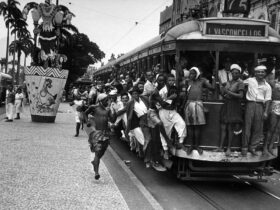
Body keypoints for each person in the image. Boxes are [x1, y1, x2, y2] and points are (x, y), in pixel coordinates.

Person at [184, 67, 215, 155]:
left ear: (197, 74)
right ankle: (191, 146)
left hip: (198, 105)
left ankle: (197, 146)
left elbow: (212, 88)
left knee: (197, 127)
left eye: (193, 73)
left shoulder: (202, 81)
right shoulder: (187, 81)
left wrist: (213, 78)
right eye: (190, 73)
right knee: (190, 127)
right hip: (189, 104)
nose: (191, 75)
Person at [85, 93, 116, 180]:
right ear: (101, 100)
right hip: (96, 133)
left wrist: (113, 110)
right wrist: (87, 121)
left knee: (101, 152)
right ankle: (96, 172)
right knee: (98, 153)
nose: (108, 101)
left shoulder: (108, 110)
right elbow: (85, 113)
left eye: (108, 100)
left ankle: (94, 162)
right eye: (106, 100)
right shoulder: (93, 107)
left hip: (106, 134)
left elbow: (113, 119)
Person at [216, 64, 245, 156]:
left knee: (230, 128)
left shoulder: (241, 82)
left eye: (236, 73)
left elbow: (240, 96)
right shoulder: (229, 81)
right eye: (233, 73)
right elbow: (224, 92)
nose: (234, 74)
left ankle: (229, 148)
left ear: (239, 74)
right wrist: (223, 91)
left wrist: (228, 92)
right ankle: (220, 147)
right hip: (227, 104)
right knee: (223, 126)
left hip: (234, 105)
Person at [242, 65, 271, 156]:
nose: (260, 73)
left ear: (265, 73)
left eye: (262, 72)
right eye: (258, 72)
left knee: (258, 128)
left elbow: (268, 99)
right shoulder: (250, 80)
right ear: (255, 73)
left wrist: (266, 112)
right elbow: (241, 83)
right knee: (247, 126)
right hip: (250, 104)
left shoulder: (267, 86)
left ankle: (252, 147)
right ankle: (244, 148)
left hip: (260, 106)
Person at [158, 74, 187, 151]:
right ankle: (165, 149)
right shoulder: (162, 91)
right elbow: (159, 105)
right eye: (169, 80)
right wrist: (169, 98)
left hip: (173, 111)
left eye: (173, 80)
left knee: (182, 124)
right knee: (166, 131)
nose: (171, 82)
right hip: (164, 112)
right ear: (166, 81)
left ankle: (180, 142)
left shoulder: (174, 89)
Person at [263, 69, 280, 156]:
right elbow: (266, 79)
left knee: (277, 130)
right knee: (271, 128)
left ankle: (270, 147)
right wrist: (273, 71)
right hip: (274, 106)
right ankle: (265, 147)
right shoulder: (274, 82)